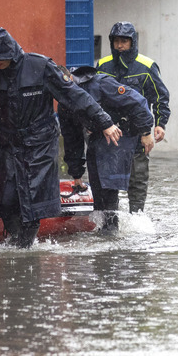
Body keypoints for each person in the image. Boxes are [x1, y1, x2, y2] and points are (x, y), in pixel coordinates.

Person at [0, 27, 121, 247]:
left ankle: (23, 250)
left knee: (32, 203)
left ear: (11, 53)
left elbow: (75, 96)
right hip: (8, 145)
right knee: (6, 201)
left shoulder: (40, 66)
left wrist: (105, 122)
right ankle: (16, 242)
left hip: (39, 144)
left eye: (2, 59)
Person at [57, 65, 154, 232]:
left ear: (69, 79)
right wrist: (77, 173)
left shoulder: (100, 84)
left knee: (110, 182)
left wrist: (146, 132)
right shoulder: (64, 102)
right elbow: (72, 138)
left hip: (124, 131)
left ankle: (115, 228)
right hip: (98, 136)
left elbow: (138, 102)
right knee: (97, 184)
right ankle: (105, 225)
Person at [96, 21, 171, 214]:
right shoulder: (103, 66)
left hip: (139, 133)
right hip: (111, 133)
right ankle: (110, 222)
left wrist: (160, 124)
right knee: (109, 181)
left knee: (137, 179)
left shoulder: (146, 66)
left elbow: (160, 96)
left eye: (124, 41)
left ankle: (137, 218)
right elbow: (94, 97)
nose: (120, 45)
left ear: (133, 42)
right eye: (116, 41)